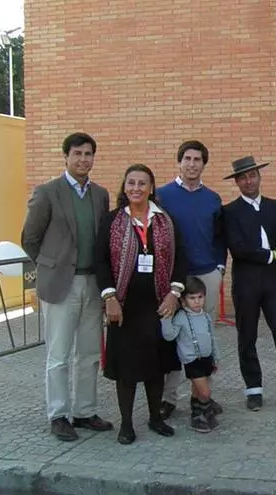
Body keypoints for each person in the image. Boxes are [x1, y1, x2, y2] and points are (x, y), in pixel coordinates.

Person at [20, 132, 113, 442]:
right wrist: (50, 266)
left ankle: (85, 411)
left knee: (89, 352)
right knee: (59, 354)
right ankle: (58, 414)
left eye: (88, 154)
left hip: (92, 282)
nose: (83, 159)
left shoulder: (100, 195)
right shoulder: (47, 192)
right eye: (77, 153)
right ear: (66, 157)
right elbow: (30, 238)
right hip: (61, 284)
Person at [94, 163, 187, 445]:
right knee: (127, 369)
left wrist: (174, 293)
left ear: (151, 188)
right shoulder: (112, 221)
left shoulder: (166, 220)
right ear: (124, 187)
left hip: (158, 305)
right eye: (131, 183)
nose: (136, 188)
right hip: (124, 306)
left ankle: (156, 418)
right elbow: (100, 261)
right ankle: (126, 424)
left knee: (156, 366)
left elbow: (181, 258)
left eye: (142, 183)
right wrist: (110, 298)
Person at [221, 155, 276, 412]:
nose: (249, 181)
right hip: (245, 282)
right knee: (247, 337)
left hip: (272, 282)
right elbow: (237, 248)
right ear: (237, 182)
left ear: (259, 177)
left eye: (252, 176)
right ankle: (254, 390)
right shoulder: (229, 212)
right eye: (243, 178)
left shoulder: (274, 207)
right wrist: (273, 254)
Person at [155, 140, 227, 420]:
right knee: (173, 338)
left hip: (207, 275)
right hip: (175, 278)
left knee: (203, 337)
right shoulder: (162, 196)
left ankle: (201, 397)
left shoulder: (213, 199)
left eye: (197, 159)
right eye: (187, 158)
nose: (192, 164)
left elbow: (220, 237)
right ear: (179, 162)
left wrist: (219, 267)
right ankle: (168, 398)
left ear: (204, 164)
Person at [161, 275, 223, 432]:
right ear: (183, 300)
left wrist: (216, 357)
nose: (197, 301)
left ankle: (197, 412)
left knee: (197, 390)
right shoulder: (181, 317)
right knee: (205, 392)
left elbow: (211, 337)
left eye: (200, 297)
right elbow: (170, 336)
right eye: (192, 298)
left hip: (207, 358)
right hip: (192, 361)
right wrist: (166, 318)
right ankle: (203, 412)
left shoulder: (205, 316)